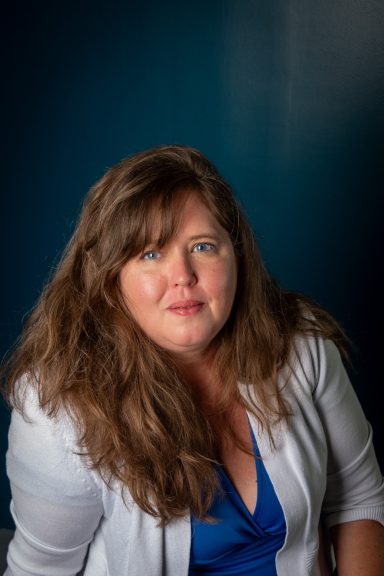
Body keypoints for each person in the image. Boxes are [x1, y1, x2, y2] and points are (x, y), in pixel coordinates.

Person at [1, 145, 384, 576]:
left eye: (202, 246)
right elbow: (39, 572)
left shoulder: (300, 342)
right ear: (109, 279)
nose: (182, 274)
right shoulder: (56, 407)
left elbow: (358, 500)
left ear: (236, 256)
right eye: (150, 253)